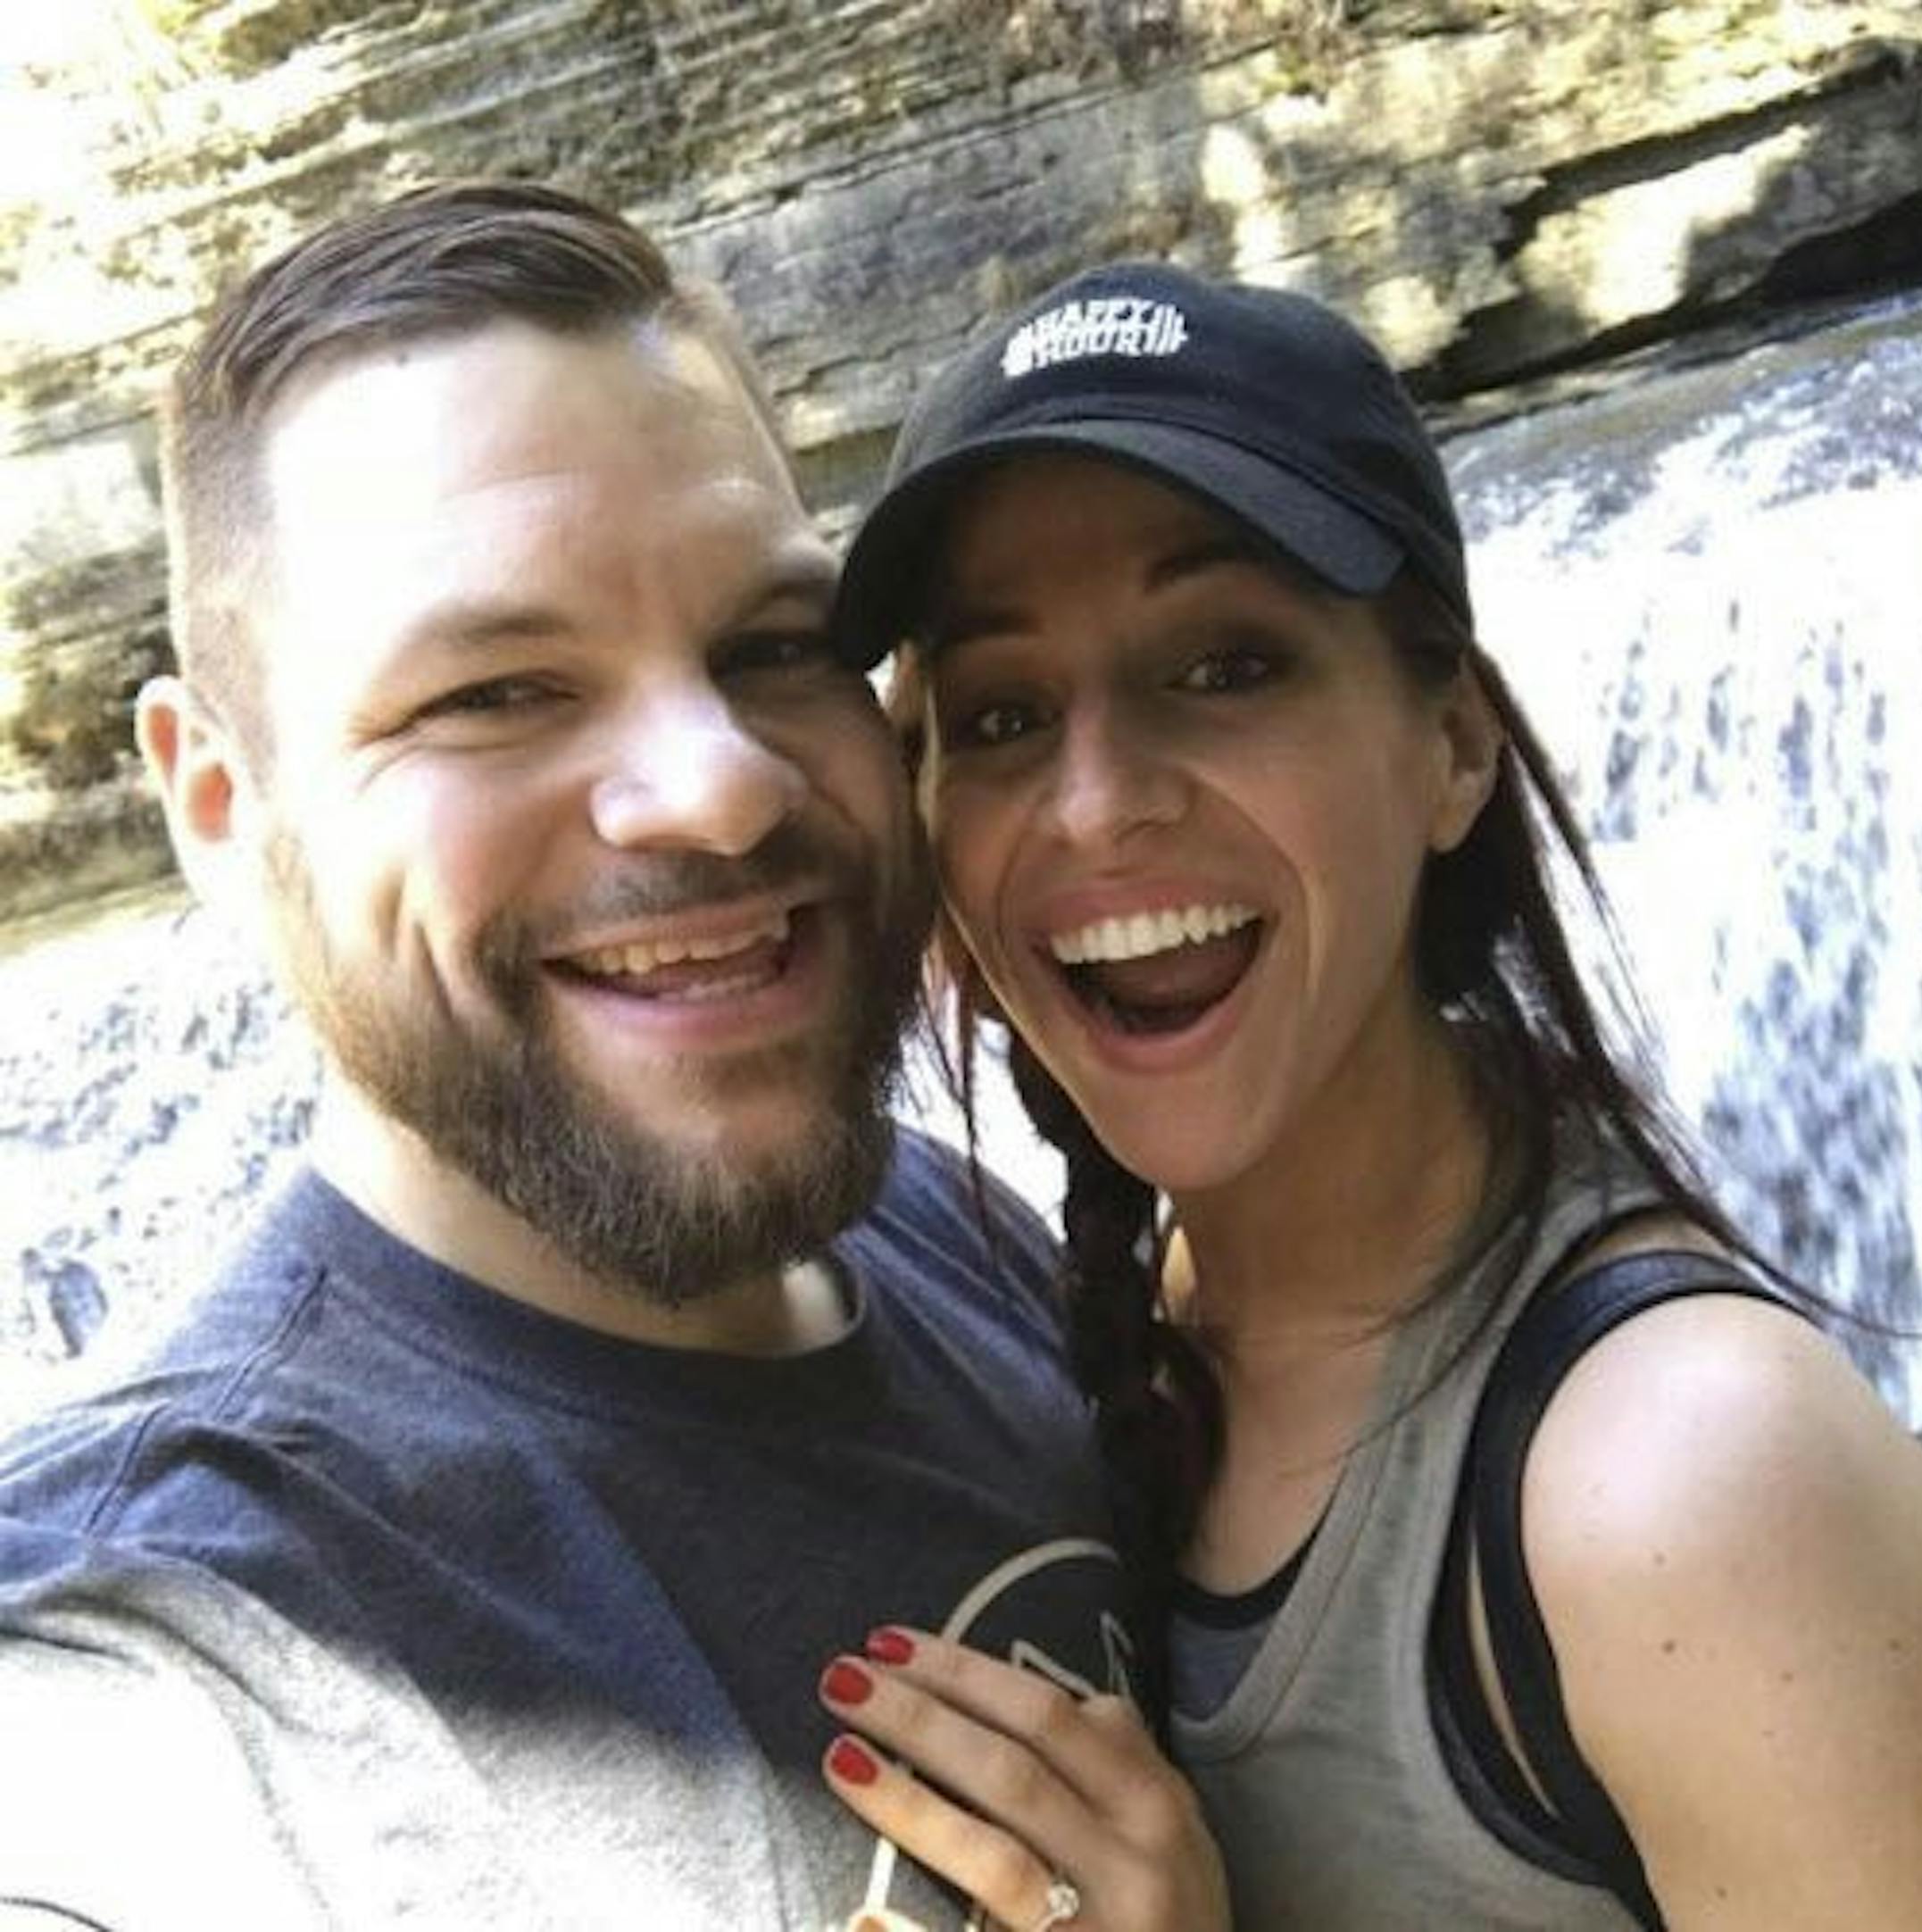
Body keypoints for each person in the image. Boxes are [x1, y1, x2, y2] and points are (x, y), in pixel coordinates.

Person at [0, 186, 1217, 1932]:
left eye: (775, 649)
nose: (722, 786)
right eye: (494, 690)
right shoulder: (167, 1656)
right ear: (218, 800)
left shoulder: (956, 1237)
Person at [814, 262, 1922, 1928]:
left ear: (1454, 746)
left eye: (1224, 665)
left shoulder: (1687, 1479)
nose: (1098, 804)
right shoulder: (1100, 1311)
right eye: (1002, 713)